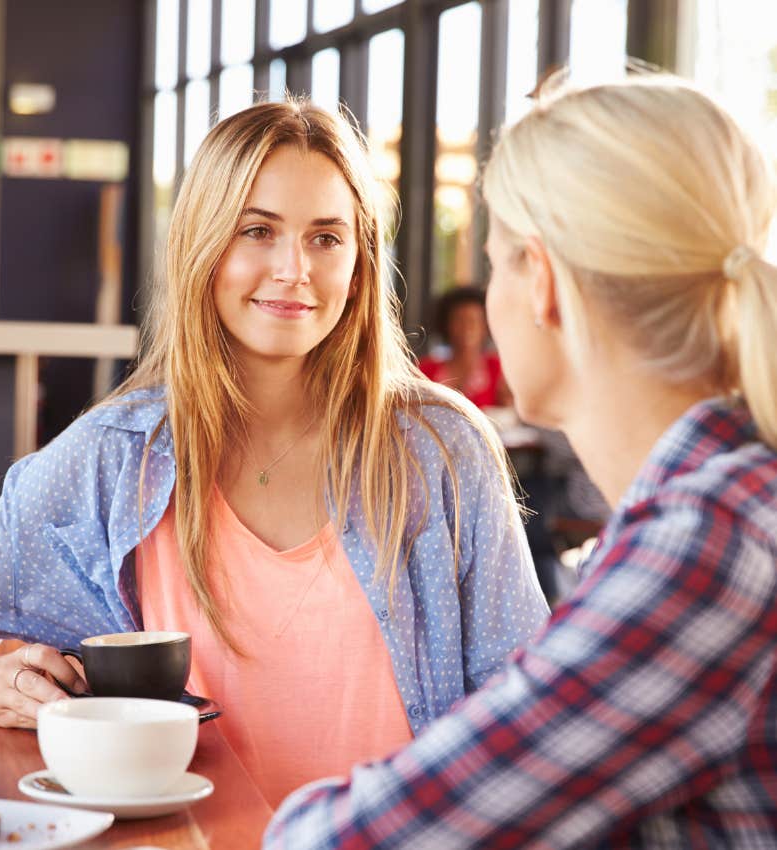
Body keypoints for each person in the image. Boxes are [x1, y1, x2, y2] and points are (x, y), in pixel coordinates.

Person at [0, 100, 548, 807]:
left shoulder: (441, 451)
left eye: (325, 238)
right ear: (205, 244)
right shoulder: (114, 458)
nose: (293, 270)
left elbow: (528, 712)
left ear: (361, 261)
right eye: (258, 231)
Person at [262, 75, 777, 846]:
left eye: (498, 261)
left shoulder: (707, 542)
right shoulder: (727, 500)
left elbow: (349, 840)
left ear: (541, 284)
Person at [418, 285, 510, 408]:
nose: (467, 328)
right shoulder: (425, 370)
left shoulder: (498, 369)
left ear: (486, 326)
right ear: (446, 325)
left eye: (474, 321)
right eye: (459, 320)